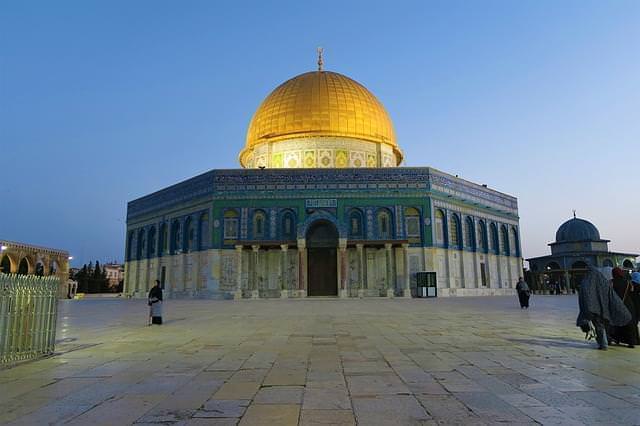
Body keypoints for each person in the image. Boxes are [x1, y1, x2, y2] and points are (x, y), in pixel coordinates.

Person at [576, 266, 631, 350]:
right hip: (603, 308)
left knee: (598, 326)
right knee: (602, 325)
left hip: (592, 309)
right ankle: (604, 342)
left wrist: (587, 309)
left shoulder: (585, 283)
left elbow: (583, 296)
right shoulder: (603, 282)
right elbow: (610, 295)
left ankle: (604, 344)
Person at [609, 268, 639, 348]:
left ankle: (618, 339)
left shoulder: (611, 282)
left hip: (616, 305)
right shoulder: (628, 282)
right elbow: (631, 291)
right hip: (628, 305)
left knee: (617, 323)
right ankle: (632, 341)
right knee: (630, 323)